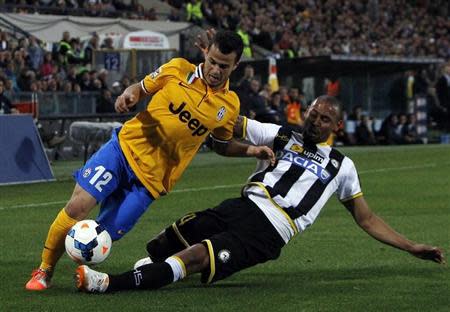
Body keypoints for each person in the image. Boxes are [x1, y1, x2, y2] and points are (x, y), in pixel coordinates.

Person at [74, 95, 444, 293]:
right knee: (160, 245)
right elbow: (228, 124)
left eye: (324, 119)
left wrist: (411, 246)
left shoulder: (341, 166)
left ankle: (109, 284)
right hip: (241, 205)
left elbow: (366, 218)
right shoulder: (281, 134)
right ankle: (155, 273)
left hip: (271, 228)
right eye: (313, 115)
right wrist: (199, 102)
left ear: (336, 126)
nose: (316, 121)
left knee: (198, 255)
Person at [26, 30, 275, 291]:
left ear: (235, 66)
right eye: (212, 61)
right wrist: (129, 95)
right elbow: (140, 88)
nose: (215, 69)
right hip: (123, 151)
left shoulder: (229, 104)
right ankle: (44, 270)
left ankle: (82, 268)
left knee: (105, 235)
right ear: (206, 53)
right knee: (77, 208)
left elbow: (221, 145)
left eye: (223, 66)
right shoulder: (177, 69)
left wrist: (252, 151)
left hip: (150, 182)